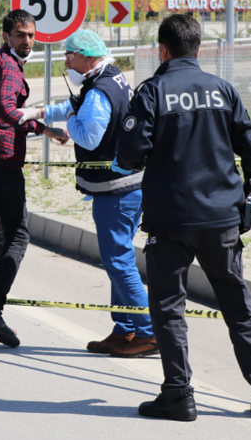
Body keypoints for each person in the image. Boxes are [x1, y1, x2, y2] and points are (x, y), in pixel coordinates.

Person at [114, 14, 251, 421]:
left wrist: (129, 160)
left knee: (169, 307)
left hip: (171, 219)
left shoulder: (152, 92)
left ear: (163, 50)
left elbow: (131, 154)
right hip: (223, 217)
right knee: (238, 303)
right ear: (198, 48)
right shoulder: (222, 89)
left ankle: (178, 394)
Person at [18, 29, 157, 358]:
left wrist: (69, 121)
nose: (66, 61)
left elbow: (88, 136)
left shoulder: (99, 91)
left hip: (116, 191)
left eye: (70, 55)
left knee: (118, 261)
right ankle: (125, 329)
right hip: (126, 186)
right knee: (118, 260)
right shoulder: (110, 78)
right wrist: (38, 113)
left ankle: (149, 332)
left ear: (87, 55)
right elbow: (78, 105)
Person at [0, 9, 69, 347]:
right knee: (18, 235)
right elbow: (10, 112)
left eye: (31, 35)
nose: (27, 41)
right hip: (1, 161)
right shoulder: (9, 66)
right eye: (20, 35)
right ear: (6, 36)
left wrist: (43, 129)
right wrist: (47, 120)